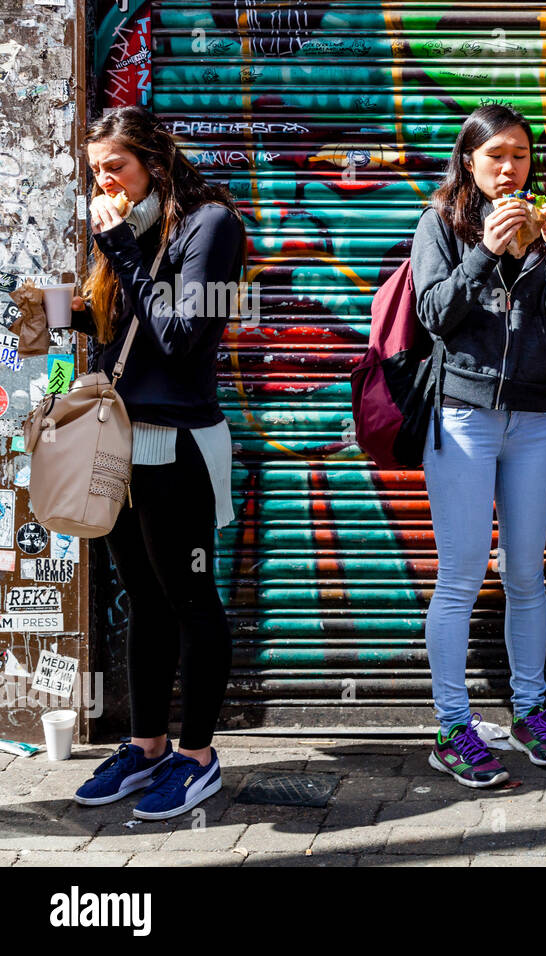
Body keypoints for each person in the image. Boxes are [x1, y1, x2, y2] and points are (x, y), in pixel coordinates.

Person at [68, 105, 244, 819]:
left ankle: (197, 759)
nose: (105, 182)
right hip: (120, 446)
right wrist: (61, 312)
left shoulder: (212, 227)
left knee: (193, 601)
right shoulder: (131, 232)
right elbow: (127, 329)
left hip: (180, 450)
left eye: (117, 167)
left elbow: (181, 336)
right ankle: (145, 748)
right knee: (144, 601)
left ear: (155, 163)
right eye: (96, 172)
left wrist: (120, 249)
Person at [412, 103, 546, 788]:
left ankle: (530, 710)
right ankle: (452, 726)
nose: (510, 167)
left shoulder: (541, 230)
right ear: (470, 161)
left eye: (519, 154)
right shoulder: (442, 224)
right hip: (461, 415)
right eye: (496, 156)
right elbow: (434, 313)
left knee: (525, 573)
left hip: (532, 419)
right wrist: (486, 250)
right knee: (460, 576)